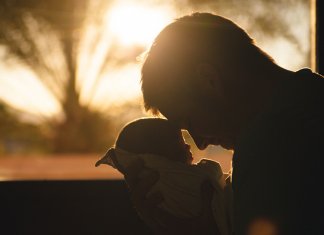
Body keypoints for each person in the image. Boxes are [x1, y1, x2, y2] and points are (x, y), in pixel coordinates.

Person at [125, 12, 324, 235]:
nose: (199, 144)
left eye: (189, 121)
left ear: (209, 80)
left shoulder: (266, 147)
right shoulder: (313, 96)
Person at [95, 118, 233, 235]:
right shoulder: (174, 181)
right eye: (179, 142)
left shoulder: (155, 191)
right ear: (157, 159)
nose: (190, 146)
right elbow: (213, 175)